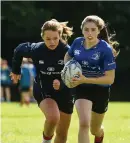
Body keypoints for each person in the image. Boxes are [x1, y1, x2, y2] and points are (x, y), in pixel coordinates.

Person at [10, 19, 74, 143]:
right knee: (53, 117)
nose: (52, 42)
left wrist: (61, 83)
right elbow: (19, 50)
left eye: (55, 38)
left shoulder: (68, 51)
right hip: (44, 89)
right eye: (48, 39)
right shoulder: (36, 49)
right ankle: (46, 141)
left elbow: (73, 75)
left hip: (65, 91)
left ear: (60, 36)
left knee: (62, 134)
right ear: (42, 37)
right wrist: (16, 70)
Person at [64, 15, 119, 143]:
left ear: (99, 31)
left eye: (93, 30)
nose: (89, 33)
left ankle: (99, 135)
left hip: (100, 90)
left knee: (95, 129)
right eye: (86, 29)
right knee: (84, 123)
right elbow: (68, 55)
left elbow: (110, 79)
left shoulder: (105, 49)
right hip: (81, 87)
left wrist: (86, 79)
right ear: (82, 30)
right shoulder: (77, 42)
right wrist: (68, 68)